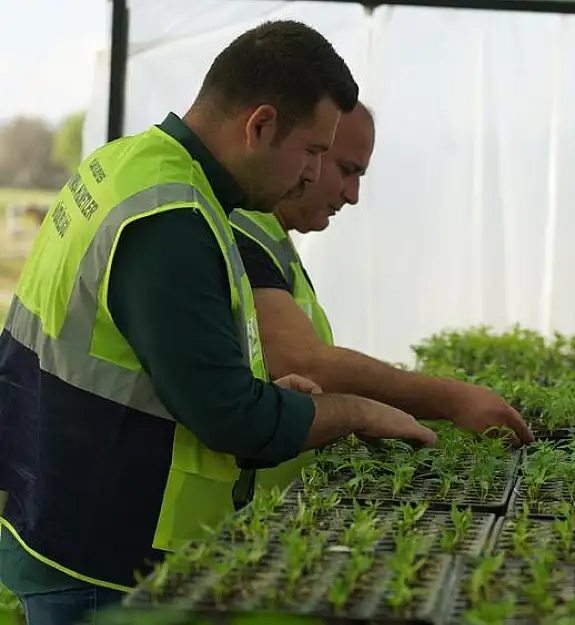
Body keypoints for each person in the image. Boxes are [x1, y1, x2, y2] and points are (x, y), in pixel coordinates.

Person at [0, 20, 436, 625]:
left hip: (58, 515)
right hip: (102, 560)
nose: (314, 175)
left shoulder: (133, 165)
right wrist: (357, 411)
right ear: (259, 125)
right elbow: (230, 418)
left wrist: (261, 393)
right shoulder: (171, 216)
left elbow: (160, 369)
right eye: (312, 151)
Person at [230, 104, 534, 495]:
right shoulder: (244, 233)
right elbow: (303, 362)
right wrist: (452, 399)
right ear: (309, 152)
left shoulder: (271, 240)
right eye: (347, 169)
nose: (353, 196)